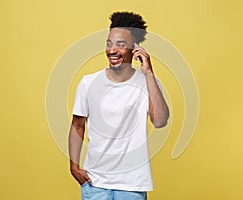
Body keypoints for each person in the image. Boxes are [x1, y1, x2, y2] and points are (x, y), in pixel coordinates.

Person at [68, 11, 169, 200]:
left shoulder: (148, 83)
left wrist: (148, 73)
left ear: (135, 48)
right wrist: (74, 166)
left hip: (132, 186)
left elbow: (160, 121)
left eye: (121, 45)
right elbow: (78, 125)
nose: (112, 50)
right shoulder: (88, 83)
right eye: (109, 43)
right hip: (95, 184)